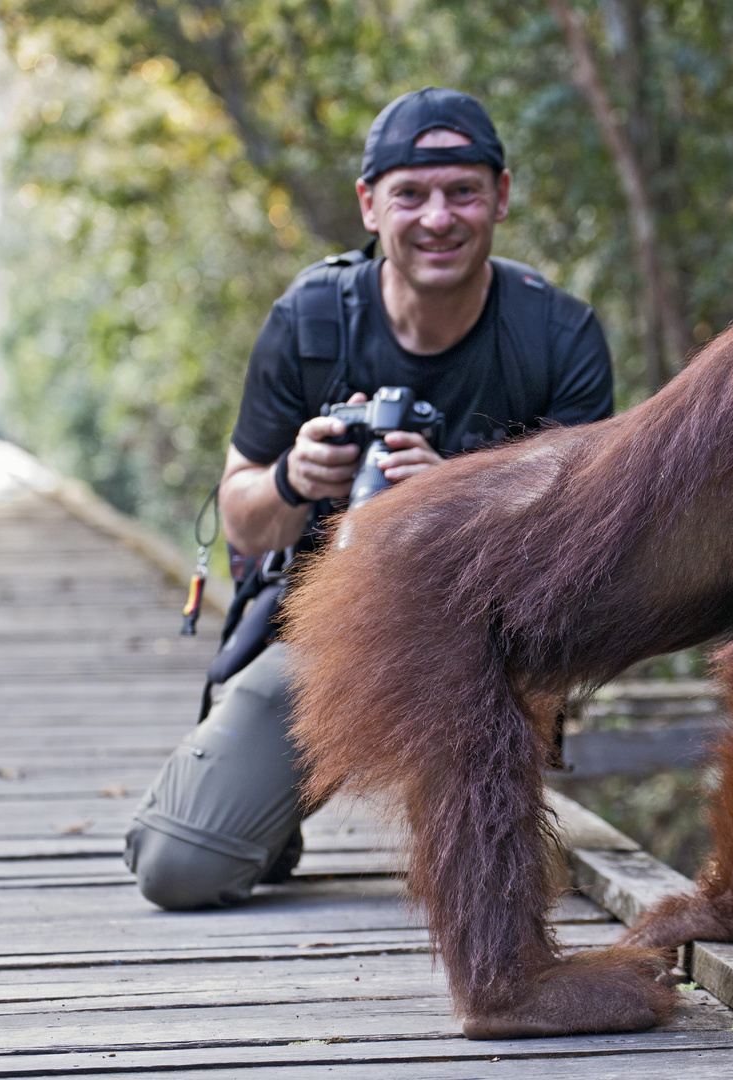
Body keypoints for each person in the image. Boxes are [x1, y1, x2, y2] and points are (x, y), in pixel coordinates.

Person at [124, 87, 615, 909]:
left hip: (483, 655)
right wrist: (293, 479)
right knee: (180, 869)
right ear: (369, 205)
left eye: (462, 191)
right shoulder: (314, 321)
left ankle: (471, 810)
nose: (437, 218)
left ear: (500, 195)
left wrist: (454, 497)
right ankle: (256, 804)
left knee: (483, 892)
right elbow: (241, 517)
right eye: (410, 194)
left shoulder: (555, 336)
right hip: (327, 638)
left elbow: (590, 546)